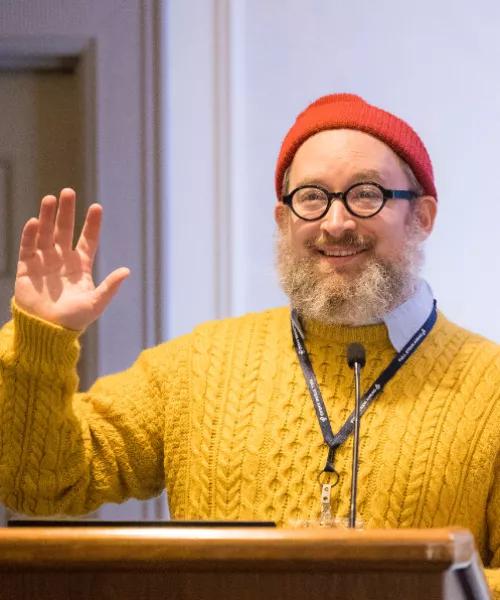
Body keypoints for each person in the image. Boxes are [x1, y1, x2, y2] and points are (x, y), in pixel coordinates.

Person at [0, 93, 498, 594]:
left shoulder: (491, 389)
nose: (336, 222)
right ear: (283, 221)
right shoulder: (196, 367)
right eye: (311, 197)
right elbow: (40, 482)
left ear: (423, 216)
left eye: (366, 194)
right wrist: (43, 339)